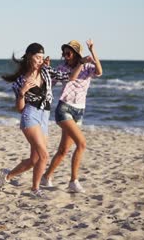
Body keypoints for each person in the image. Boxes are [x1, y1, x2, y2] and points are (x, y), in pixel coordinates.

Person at [0, 43, 75, 198]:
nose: (40, 60)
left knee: (34, 159)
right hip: (29, 115)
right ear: (30, 56)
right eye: (37, 57)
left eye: (42, 57)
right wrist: (23, 92)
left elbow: (69, 77)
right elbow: (19, 108)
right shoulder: (20, 80)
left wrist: (81, 63)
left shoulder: (46, 71)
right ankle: (35, 189)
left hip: (45, 115)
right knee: (44, 155)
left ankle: (6, 177)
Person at [41, 39, 102, 193]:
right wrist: (46, 69)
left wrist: (93, 51)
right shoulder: (62, 68)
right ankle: (73, 181)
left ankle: (46, 177)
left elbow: (100, 72)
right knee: (82, 144)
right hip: (64, 108)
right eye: (64, 52)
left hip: (79, 111)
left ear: (75, 53)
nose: (65, 55)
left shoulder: (88, 67)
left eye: (68, 52)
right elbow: (54, 83)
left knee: (63, 150)